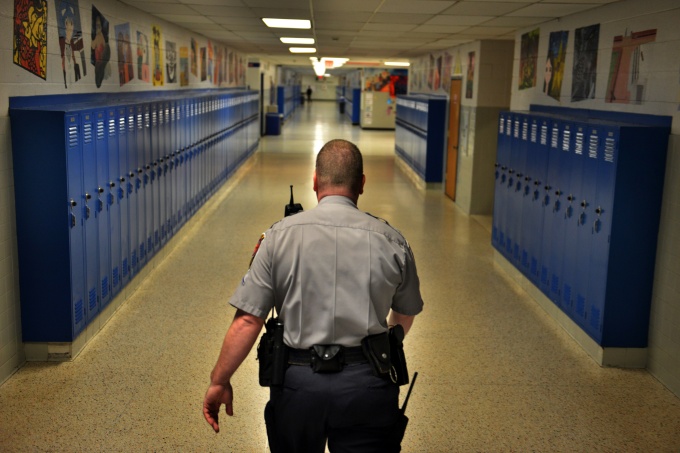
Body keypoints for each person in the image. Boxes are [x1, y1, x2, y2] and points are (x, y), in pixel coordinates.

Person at [203, 139, 424, 452]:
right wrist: (386, 336)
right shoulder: (392, 241)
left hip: (298, 384)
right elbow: (406, 312)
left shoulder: (278, 236)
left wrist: (219, 380)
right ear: (361, 184)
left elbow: (249, 320)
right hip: (367, 384)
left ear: (315, 181)